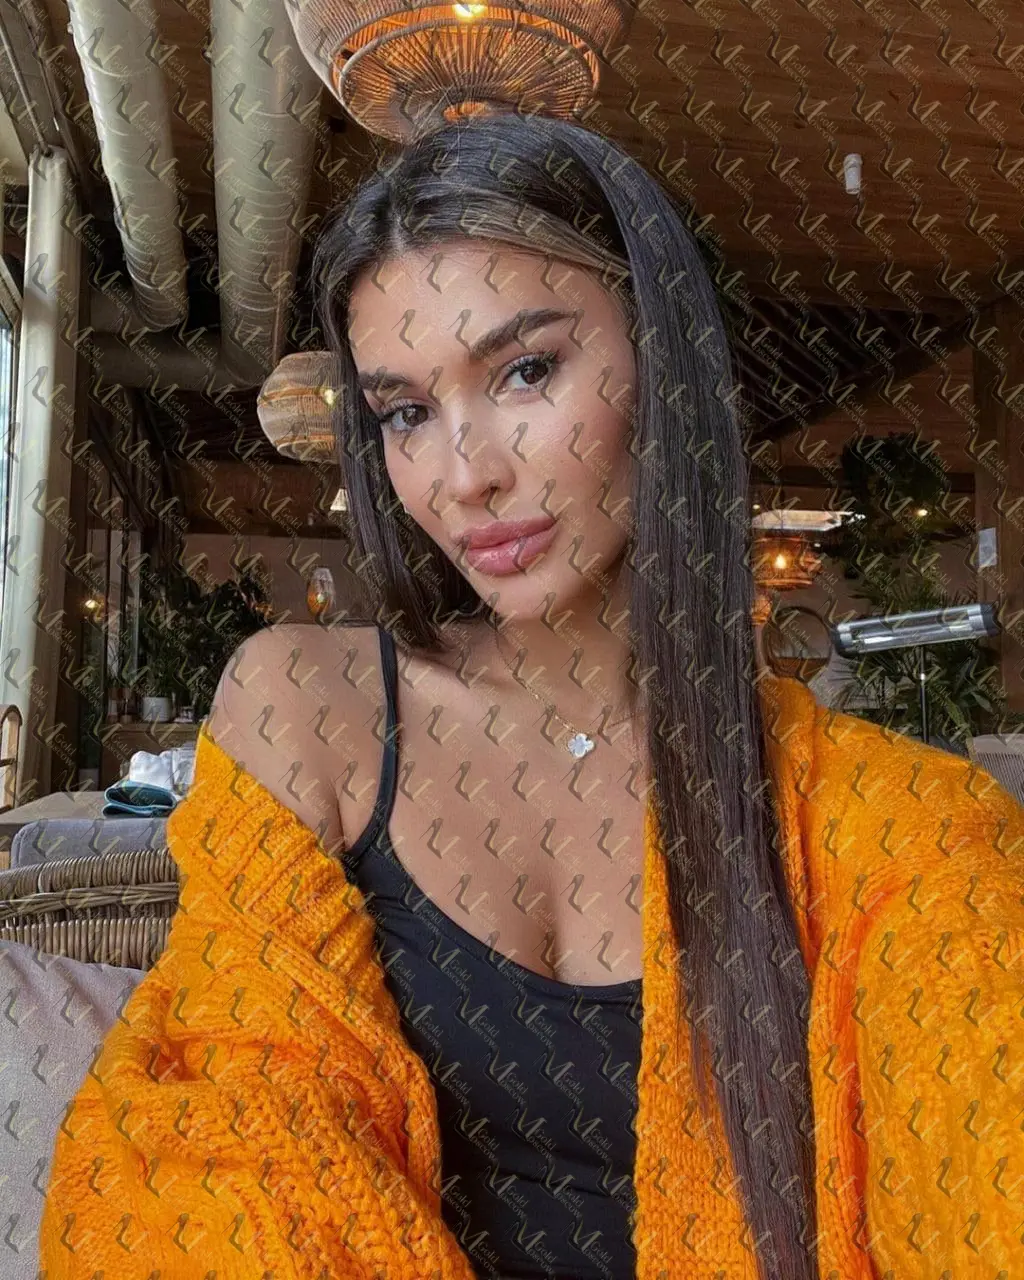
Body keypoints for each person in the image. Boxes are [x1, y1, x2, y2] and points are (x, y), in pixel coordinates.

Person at [41, 113, 1024, 1280]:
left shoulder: (888, 829)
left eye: (524, 369)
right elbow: (230, 1148)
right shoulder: (311, 704)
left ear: (659, 360)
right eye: (405, 411)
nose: (465, 474)